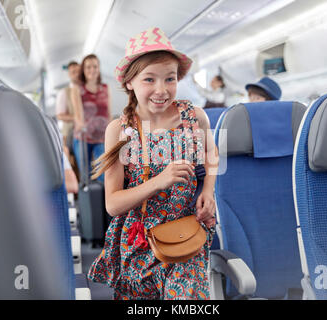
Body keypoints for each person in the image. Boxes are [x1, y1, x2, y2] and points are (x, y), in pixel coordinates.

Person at [87, 27, 218, 300]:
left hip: (186, 232)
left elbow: (212, 155)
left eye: (170, 79)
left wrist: (208, 191)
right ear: (129, 83)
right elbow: (113, 205)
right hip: (138, 242)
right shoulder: (119, 130)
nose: (162, 90)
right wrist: (160, 181)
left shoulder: (194, 117)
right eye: (150, 79)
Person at [71, 54, 111, 182]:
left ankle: (104, 201)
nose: (92, 70)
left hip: (101, 138)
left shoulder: (105, 88)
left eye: (95, 66)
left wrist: (112, 132)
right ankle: (88, 199)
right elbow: (78, 115)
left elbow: (108, 113)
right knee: (86, 175)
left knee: (104, 174)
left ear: (99, 68)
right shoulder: (77, 90)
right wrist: (81, 125)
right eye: (88, 67)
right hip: (83, 137)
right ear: (83, 70)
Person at [56, 61, 81, 174]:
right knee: (74, 166)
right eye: (73, 72)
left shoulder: (88, 89)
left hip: (87, 132)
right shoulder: (64, 92)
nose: (77, 74)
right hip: (70, 132)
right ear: (69, 75)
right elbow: (60, 115)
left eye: (78, 71)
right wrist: (77, 117)